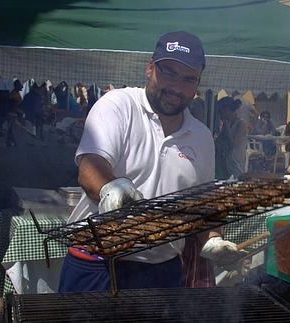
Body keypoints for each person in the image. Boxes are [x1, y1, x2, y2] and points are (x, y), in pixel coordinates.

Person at [59, 31, 242, 292]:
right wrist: (110, 189)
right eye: (168, 72)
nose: (177, 87)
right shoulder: (118, 105)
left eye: (189, 79)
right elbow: (90, 166)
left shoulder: (201, 136)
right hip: (96, 262)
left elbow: (202, 203)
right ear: (150, 68)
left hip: (161, 269)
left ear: (198, 83)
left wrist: (213, 238)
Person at [214, 96, 248, 179]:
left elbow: (234, 144)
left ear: (228, 110)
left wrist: (228, 128)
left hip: (236, 160)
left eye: (222, 112)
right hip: (226, 161)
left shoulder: (241, 124)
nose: (221, 114)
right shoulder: (225, 124)